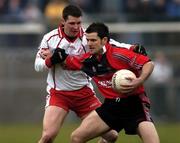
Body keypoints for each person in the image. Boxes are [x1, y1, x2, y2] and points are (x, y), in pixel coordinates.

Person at [52, 22, 160, 143]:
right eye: (88, 40)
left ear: (104, 40)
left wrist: (139, 81)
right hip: (111, 106)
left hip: (134, 104)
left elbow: (148, 64)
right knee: (76, 138)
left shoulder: (119, 54)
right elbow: (66, 61)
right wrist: (53, 56)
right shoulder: (88, 60)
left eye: (93, 40)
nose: (89, 44)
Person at [34, 5, 119, 143]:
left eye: (79, 23)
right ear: (63, 22)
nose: (76, 27)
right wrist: (52, 60)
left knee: (112, 136)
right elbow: (37, 65)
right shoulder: (50, 38)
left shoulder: (88, 37)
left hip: (84, 94)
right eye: (72, 23)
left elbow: (110, 44)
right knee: (47, 137)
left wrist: (131, 48)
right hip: (59, 93)